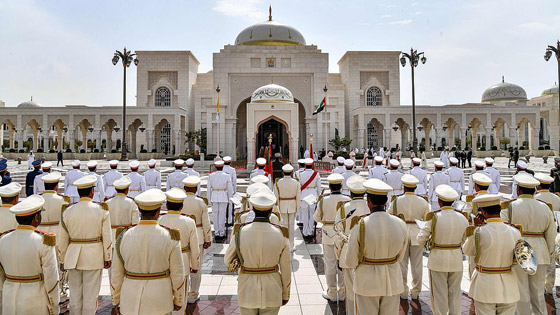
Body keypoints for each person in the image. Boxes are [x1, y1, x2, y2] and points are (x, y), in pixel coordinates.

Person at [111, 189, 185, 314]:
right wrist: (178, 299)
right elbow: (178, 273)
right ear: (159, 211)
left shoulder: (124, 236)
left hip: (130, 298)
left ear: (139, 210)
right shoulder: (171, 236)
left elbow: (116, 272)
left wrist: (116, 299)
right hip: (160, 298)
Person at [345, 178, 407, 314]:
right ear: (386, 201)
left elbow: (350, 260)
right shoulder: (401, 223)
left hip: (367, 281)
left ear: (368, 200)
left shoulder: (360, 224)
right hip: (392, 278)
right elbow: (401, 256)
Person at [224, 191, 292, 315]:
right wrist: (285, 293)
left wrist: (245, 266)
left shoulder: (240, 232)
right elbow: (286, 268)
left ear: (253, 210)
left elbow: (227, 260)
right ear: (271, 211)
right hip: (272, 289)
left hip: (247, 289)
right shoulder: (281, 234)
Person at [501, 173, 556, 315]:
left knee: (521, 292)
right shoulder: (545, 208)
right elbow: (551, 234)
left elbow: (504, 232)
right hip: (541, 250)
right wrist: (548, 254)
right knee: (538, 293)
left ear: (518, 190)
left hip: (519, 250)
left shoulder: (511, 206)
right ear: (534, 190)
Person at [58, 175, 112, 315]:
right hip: (93, 256)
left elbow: (62, 239)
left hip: (73, 255)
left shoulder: (67, 211)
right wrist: (107, 257)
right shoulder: (101, 210)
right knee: (90, 296)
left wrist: (62, 259)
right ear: (92, 192)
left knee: (75, 295)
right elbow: (107, 236)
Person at [0, 195, 60, 314]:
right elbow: (51, 278)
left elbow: (1, 275)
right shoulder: (44, 241)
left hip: (9, 298)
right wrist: (54, 303)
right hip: (35, 299)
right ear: (36, 218)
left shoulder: (3, 239)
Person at [463, 194, 521, 315]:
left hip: (485, 286)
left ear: (483, 212)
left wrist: (475, 228)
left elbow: (467, 251)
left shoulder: (479, 232)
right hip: (509, 285)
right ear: (500, 209)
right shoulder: (515, 231)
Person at [417, 185, 469, 315]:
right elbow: (465, 239)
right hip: (456, 257)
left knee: (439, 293)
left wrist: (428, 243)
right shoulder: (462, 217)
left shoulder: (434, 217)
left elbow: (420, 239)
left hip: (438, 259)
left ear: (440, 201)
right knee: (455, 292)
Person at [387, 174, 430, 301]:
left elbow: (390, 217)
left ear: (404, 187)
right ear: (415, 187)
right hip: (417, 234)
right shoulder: (423, 201)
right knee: (417, 266)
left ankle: (403, 291)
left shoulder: (396, 201)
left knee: (402, 264)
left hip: (402, 233)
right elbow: (427, 220)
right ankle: (416, 292)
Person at [160, 188, 200, 315]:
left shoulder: (160, 220)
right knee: (181, 296)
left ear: (167, 205)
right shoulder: (189, 221)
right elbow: (194, 247)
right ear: (182, 206)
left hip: (164, 261)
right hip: (183, 259)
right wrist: (195, 265)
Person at [335, 175, 369, 315]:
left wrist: (338, 255)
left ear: (350, 192)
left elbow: (338, 234)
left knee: (350, 291)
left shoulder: (344, 208)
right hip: (367, 252)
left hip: (347, 252)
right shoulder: (370, 206)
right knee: (366, 292)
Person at [314, 173, 350, 302]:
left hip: (328, 233)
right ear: (341, 186)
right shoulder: (348, 199)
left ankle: (332, 292)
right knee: (342, 264)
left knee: (330, 264)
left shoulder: (324, 200)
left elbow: (317, 218)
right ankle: (342, 291)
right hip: (343, 234)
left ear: (329, 187)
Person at [182, 176, 212, 304]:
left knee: (182, 264)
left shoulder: (180, 200)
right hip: (198, 235)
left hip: (182, 235)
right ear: (196, 188)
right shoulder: (201, 202)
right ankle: (193, 294)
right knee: (196, 265)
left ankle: (181, 293)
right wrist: (208, 238)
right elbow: (206, 222)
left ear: (184, 188)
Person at [534, 173, 560, 295]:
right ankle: (549, 286)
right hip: (554, 230)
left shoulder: (535, 198)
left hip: (537, 231)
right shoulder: (557, 198)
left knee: (537, 258)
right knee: (551, 258)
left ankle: (538, 285)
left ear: (538, 185)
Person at [463, 172, 492, 277]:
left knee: (473, 260)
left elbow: (465, 215)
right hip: (491, 231)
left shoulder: (472, 199)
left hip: (476, 231)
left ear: (476, 186)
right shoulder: (492, 198)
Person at [273, 164, 301, 250]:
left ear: (283, 173)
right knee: (291, 226)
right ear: (292, 173)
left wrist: (275, 209)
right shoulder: (296, 182)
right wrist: (298, 209)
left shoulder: (278, 182)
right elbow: (298, 197)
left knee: (283, 226)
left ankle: (284, 245)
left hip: (282, 205)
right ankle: (291, 245)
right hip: (292, 204)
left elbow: (276, 197)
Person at [106, 176, 139, 241]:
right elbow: (135, 224)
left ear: (115, 189)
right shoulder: (131, 203)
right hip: (126, 236)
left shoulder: (107, 203)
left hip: (110, 237)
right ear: (127, 190)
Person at [207, 160, 234, 241]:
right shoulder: (226, 176)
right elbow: (230, 189)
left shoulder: (211, 176)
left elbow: (208, 189)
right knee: (222, 215)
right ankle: (221, 233)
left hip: (214, 195)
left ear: (215, 167)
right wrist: (230, 198)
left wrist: (209, 199)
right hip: (223, 196)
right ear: (222, 167)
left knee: (215, 215)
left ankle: (216, 232)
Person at [299, 158, 321, 240]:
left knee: (304, 214)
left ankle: (305, 232)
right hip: (312, 194)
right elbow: (319, 187)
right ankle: (310, 231)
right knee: (312, 214)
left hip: (304, 194)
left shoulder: (301, 174)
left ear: (305, 165)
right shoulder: (316, 174)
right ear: (312, 165)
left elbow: (299, 186)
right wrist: (319, 196)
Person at [223, 156, 238, 226]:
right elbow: (234, 181)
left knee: (223, 205)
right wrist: (235, 190)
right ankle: (229, 220)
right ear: (230, 162)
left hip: (223, 188)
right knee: (230, 204)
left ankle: (223, 220)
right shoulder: (232, 170)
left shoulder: (221, 169)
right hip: (230, 188)